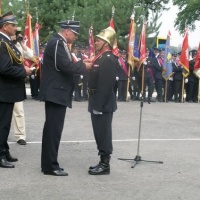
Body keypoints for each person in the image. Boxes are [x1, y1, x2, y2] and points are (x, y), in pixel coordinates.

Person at [39, 20, 92, 176]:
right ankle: (51, 166)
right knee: (53, 130)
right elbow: (65, 66)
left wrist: (81, 63)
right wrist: (84, 66)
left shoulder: (59, 43)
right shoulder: (57, 44)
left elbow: (66, 64)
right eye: (75, 34)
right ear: (67, 31)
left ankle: (48, 164)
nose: (75, 37)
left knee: (52, 129)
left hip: (57, 92)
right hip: (56, 92)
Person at [0, 11, 32, 168]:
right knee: (3, 124)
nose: (15, 28)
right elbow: (4, 68)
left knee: (4, 123)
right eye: (13, 26)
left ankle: (4, 151)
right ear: (5, 27)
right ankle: (0, 155)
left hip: (8, 90)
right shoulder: (2, 42)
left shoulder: (7, 41)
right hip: (4, 90)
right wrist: (23, 71)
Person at [88, 27, 118, 175]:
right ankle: (102, 161)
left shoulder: (108, 59)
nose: (96, 42)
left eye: (99, 40)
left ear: (106, 43)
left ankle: (105, 164)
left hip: (103, 103)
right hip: (96, 100)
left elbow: (105, 85)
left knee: (103, 133)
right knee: (99, 133)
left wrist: (98, 105)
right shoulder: (100, 57)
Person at [11, 27, 37, 145]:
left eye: (17, 34)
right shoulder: (3, 43)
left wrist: (22, 43)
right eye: (14, 33)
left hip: (16, 81)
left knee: (19, 111)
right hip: (4, 81)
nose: (15, 36)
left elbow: (31, 55)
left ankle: (20, 136)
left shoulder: (18, 46)